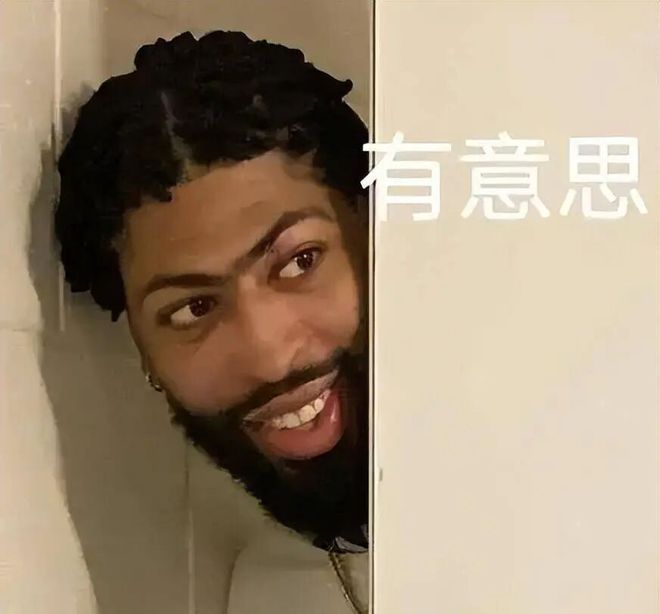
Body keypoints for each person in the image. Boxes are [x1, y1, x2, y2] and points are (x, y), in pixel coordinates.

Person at [54, 28, 369, 576]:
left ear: (377, 236)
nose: (269, 358)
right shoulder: (269, 592)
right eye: (193, 309)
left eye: (300, 261)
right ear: (145, 356)